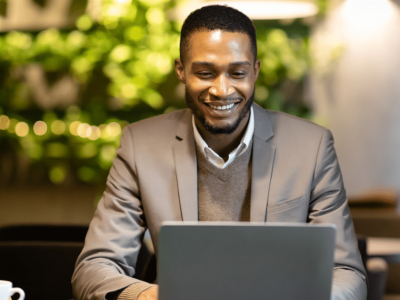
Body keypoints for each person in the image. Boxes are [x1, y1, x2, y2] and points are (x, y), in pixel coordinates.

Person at [72, 5, 367, 300]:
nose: (222, 90)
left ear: (255, 71)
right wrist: (148, 297)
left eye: (237, 73)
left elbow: (347, 273)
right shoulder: (140, 146)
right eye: (205, 73)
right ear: (181, 70)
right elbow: (94, 268)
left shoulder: (311, 147)